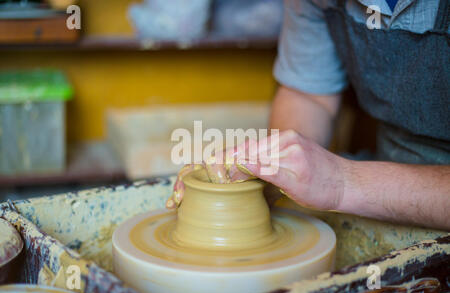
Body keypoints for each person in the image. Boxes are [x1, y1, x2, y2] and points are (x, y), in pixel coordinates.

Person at [167, 0, 450, 231]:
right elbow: (310, 96)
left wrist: (341, 183)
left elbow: (343, 182)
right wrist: (274, 171)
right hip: (387, 171)